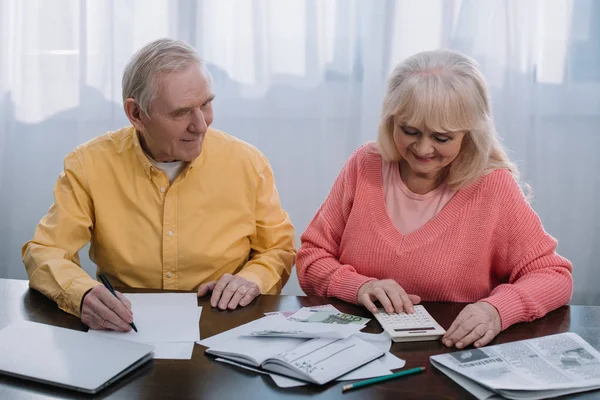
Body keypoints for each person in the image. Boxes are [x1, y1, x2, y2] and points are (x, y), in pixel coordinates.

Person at [296, 49, 572, 350]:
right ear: (391, 121)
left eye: (442, 138)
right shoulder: (364, 165)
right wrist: (360, 286)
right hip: (354, 351)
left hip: (451, 353)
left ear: (470, 133)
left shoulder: (492, 186)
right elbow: (311, 258)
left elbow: (553, 276)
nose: (423, 149)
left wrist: (497, 310)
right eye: (409, 131)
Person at [23, 38, 295, 332]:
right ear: (137, 114)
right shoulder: (88, 165)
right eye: (180, 113)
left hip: (222, 325)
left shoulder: (247, 162)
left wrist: (253, 279)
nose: (201, 125)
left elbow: (278, 248)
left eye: (206, 104)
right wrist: (83, 293)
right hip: (125, 329)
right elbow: (46, 251)